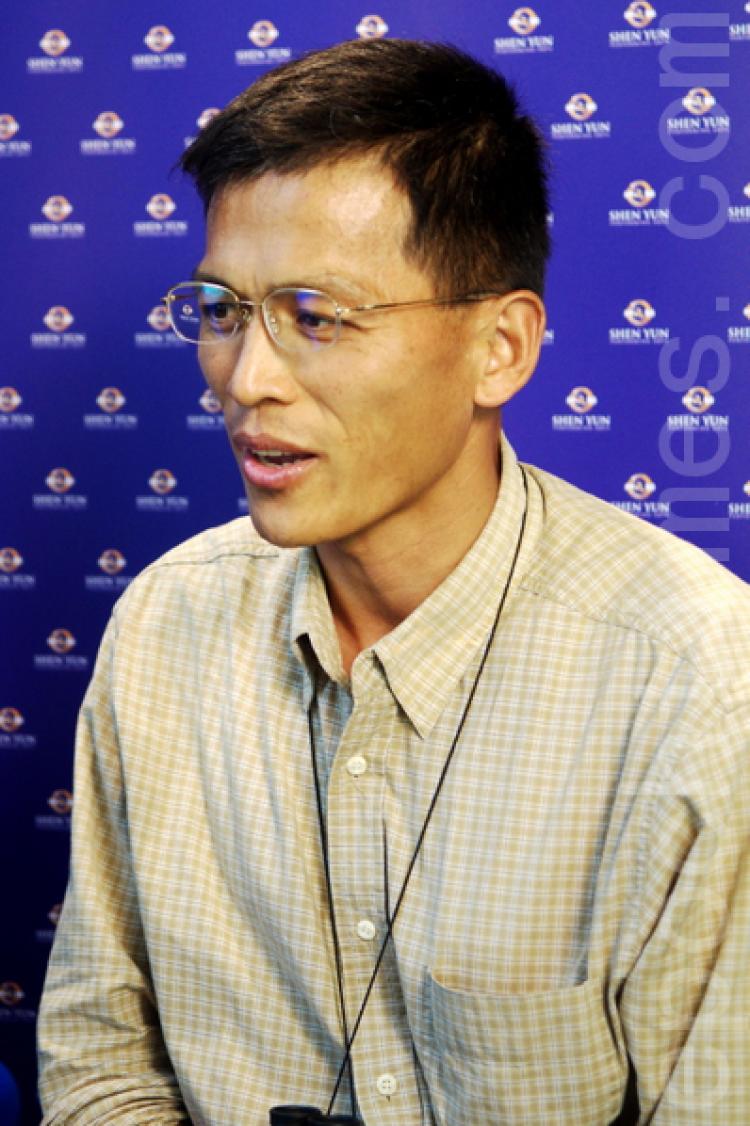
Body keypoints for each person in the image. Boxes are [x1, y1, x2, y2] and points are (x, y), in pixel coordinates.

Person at [37, 38, 749, 1126]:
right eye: (224, 310)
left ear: (500, 348)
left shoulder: (699, 686)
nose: (247, 379)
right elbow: (98, 1062)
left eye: (317, 317)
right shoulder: (164, 627)